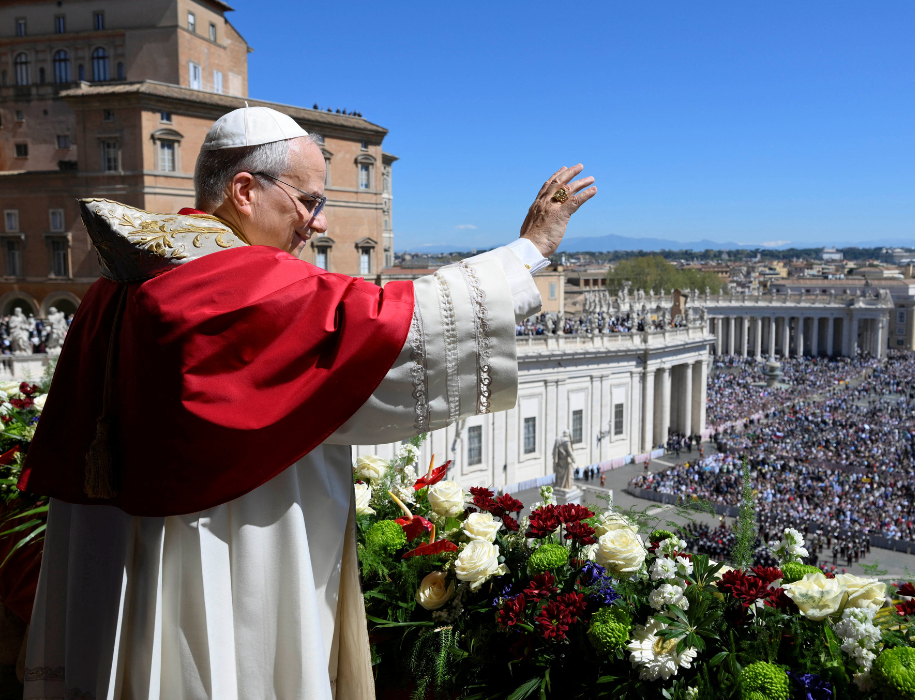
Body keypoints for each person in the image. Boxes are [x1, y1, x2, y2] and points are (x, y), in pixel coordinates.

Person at [19, 107, 596, 699]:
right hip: (222, 544)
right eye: (307, 201)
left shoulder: (125, 274)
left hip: (123, 548)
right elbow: (392, 326)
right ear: (245, 190)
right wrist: (530, 249)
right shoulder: (231, 281)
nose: (315, 225)